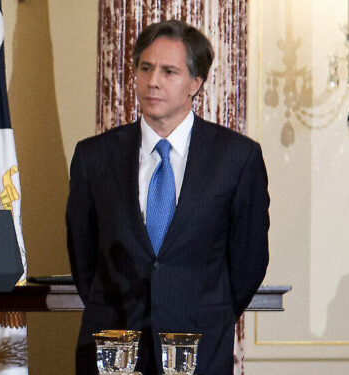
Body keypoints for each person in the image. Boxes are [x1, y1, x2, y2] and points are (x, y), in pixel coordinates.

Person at [66, 20, 269, 375]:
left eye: (169, 71)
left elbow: (248, 263)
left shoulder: (237, 158)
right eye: (145, 68)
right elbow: (83, 256)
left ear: (196, 83)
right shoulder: (93, 157)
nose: (153, 81)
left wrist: (203, 310)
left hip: (200, 350)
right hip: (112, 350)